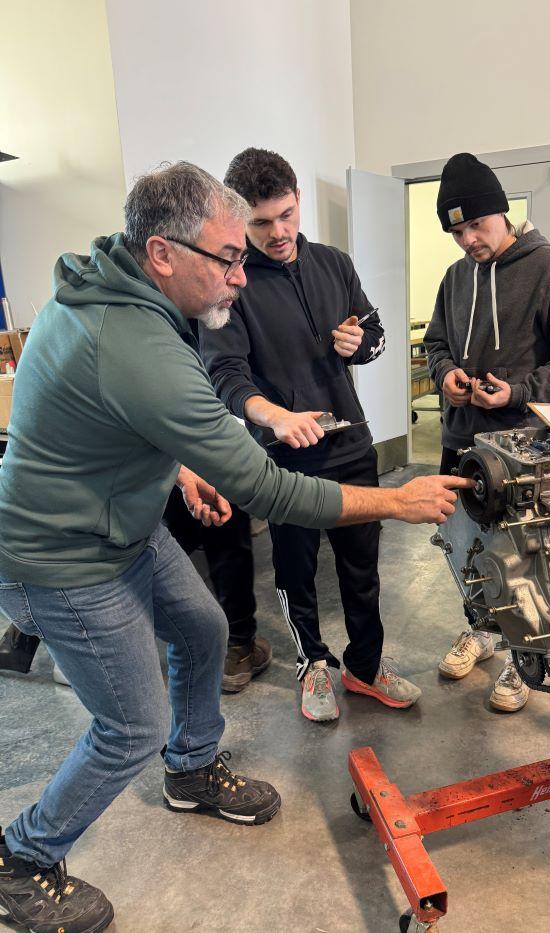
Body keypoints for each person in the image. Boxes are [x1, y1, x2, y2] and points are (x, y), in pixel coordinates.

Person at [0, 161, 469, 933]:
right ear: (162, 252)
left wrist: (182, 464)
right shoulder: (131, 337)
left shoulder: (124, 289)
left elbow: (118, 410)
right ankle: (22, 855)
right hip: (61, 557)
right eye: (228, 256)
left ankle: (189, 771)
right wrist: (397, 498)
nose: (243, 275)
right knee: (129, 727)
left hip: (121, 520)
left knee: (205, 627)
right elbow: (266, 486)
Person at [200, 148, 415, 725]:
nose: (279, 233)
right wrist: (273, 416)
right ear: (239, 222)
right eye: (262, 223)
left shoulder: (334, 263)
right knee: (296, 571)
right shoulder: (232, 284)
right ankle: (313, 663)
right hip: (287, 457)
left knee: (362, 566)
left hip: (350, 445)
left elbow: (374, 331)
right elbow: (225, 373)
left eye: (288, 215)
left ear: (299, 201)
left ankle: (365, 668)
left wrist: (360, 343)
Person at [425, 152, 550, 713]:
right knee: (468, 550)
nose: (467, 239)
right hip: (461, 443)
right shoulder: (455, 277)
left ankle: (528, 659)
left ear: (503, 212)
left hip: (524, 450)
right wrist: (446, 374)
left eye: (476, 224)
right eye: (456, 230)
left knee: (527, 559)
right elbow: (437, 343)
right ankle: (482, 631)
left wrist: (517, 391)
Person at [163, 483, 266, 693]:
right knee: (227, 533)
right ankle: (239, 650)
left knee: (170, 538)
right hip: (209, 458)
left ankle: (117, 646)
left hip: (161, 465)